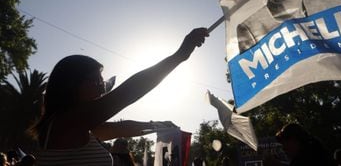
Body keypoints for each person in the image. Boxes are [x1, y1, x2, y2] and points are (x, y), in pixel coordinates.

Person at [31, 28, 208, 165]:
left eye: (103, 83)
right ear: (71, 83)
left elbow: (119, 128)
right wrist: (179, 55)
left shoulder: (77, 125)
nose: (102, 89)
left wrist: (157, 125)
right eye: (97, 82)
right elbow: (129, 92)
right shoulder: (67, 121)